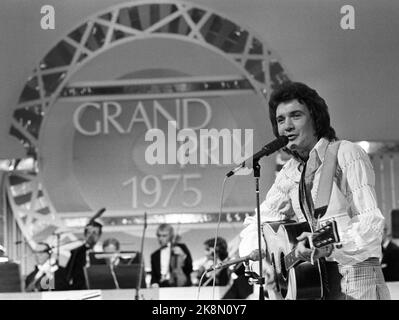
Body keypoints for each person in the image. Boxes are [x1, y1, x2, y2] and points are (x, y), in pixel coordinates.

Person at [239, 81, 391, 300]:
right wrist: (263, 261)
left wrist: (326, 243)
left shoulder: (345, 154)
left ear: (316, 118)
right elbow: (256, 224)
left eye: (296, 116)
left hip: (356, 280)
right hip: (316, 288)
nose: (286, 126)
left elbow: (371, 225)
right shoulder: (289, 173)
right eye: (280, 120)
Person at [55, 219, 103, 290]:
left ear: (99, 236)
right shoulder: (76, 252)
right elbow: (69, 274)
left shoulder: (102, 252)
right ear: (85, 235)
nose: (91, 236)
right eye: (89, 233)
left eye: (94, 233)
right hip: (80, 289)